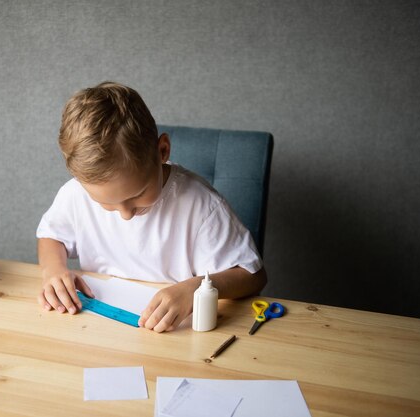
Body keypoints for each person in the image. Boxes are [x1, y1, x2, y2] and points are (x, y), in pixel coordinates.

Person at [36, 81, 267, 333]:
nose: (125, 214)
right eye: (105, 203)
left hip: (172, 332)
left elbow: (253, 276)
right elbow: (51, 236)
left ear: (162, 151)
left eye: (137, 195)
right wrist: (53, 269)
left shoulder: (202, 206)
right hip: (94, 329)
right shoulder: (75, 194)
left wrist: (197, 287)